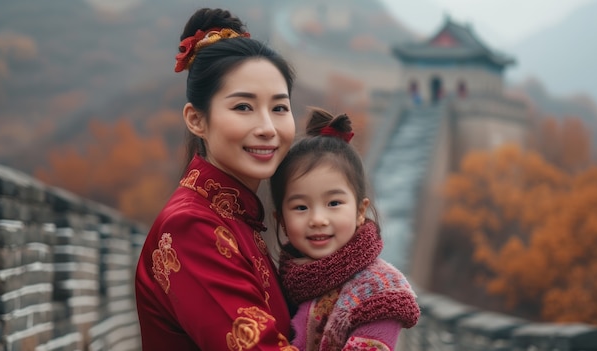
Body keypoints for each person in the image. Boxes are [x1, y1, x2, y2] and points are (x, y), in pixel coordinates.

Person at [135, 8, 300, 351]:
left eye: (280, 108)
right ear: (196, 119)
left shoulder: (237, 218)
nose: (268, 128)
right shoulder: (191, 226)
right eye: (243, 107)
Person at [270, 108, 421, 351]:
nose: (318, 219)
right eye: (300, 207)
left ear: (361, 211)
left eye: (334, 203)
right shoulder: (280, 280)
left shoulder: (378, 293)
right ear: (281, 221)